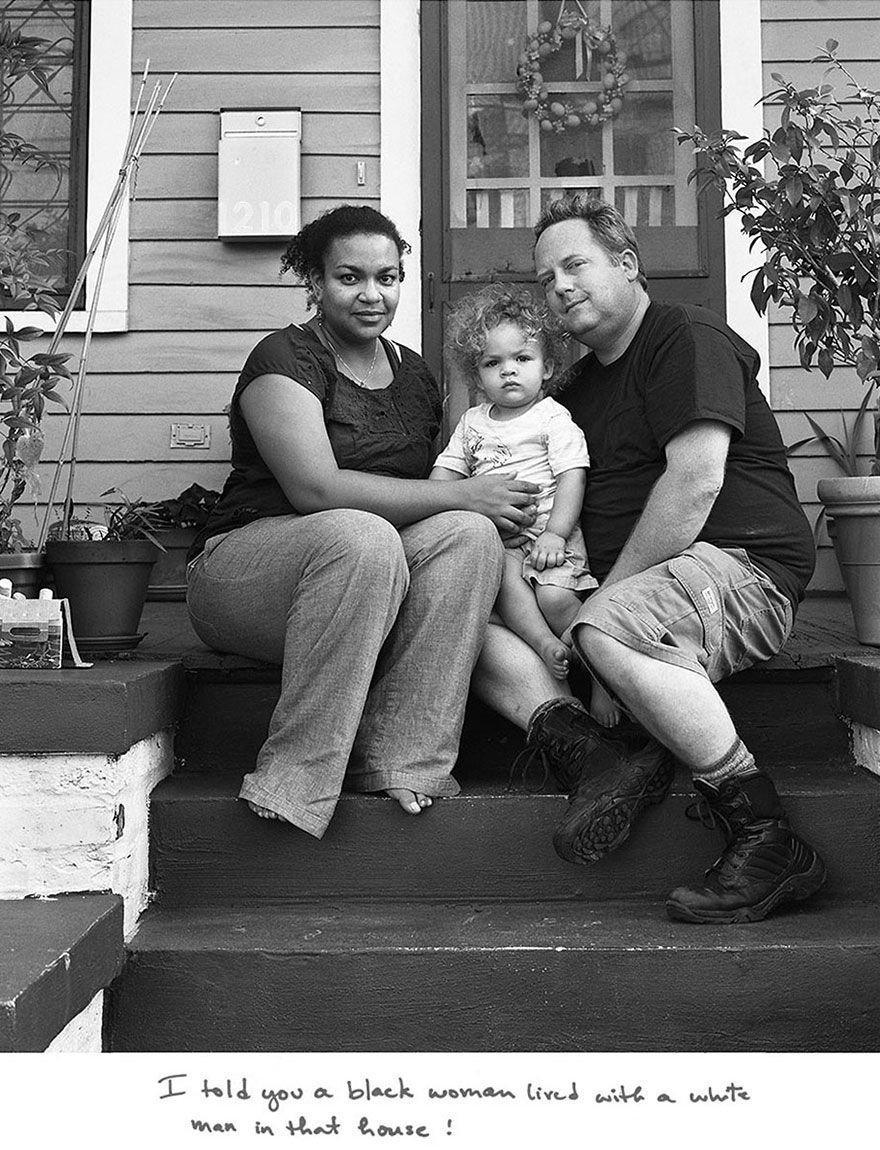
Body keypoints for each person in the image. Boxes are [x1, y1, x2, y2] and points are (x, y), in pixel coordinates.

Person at [473, 194, 826, 924]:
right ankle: (601, 759)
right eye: (546, 278)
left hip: (740, 568)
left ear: (628, 264)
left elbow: (695, 483)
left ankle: (767, 833)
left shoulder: (684, 337)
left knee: (605, 627)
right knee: (468, 616)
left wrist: (600, 615)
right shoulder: (571, 392)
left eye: (576, 265)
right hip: (628, 591)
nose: (560, 286)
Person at [186, 205, 539, 838]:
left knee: (469, 534)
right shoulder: (284, 357)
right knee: (362, 532)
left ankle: (406, 758)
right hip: (247, 572)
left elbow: (435, 493)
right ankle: (295, 776)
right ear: (316, 283)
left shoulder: (415, 374)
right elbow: (315, 489)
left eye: (388, 277)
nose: (372, 294)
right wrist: (466, 495)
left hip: (366, 578)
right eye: (350, 278)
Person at [430, 284, 617, 726]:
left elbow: (572, 475)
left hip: (551, 536)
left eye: (522, 359)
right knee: (508, 588)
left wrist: (555, 533)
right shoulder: (472, 424)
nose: (508, 371)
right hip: (502, 543)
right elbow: (443, 480)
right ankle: (544, 645)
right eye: (492, 363)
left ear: (547, 366)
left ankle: (605, 676)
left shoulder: (552, 417)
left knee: (554, 597)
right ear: (476, 376)